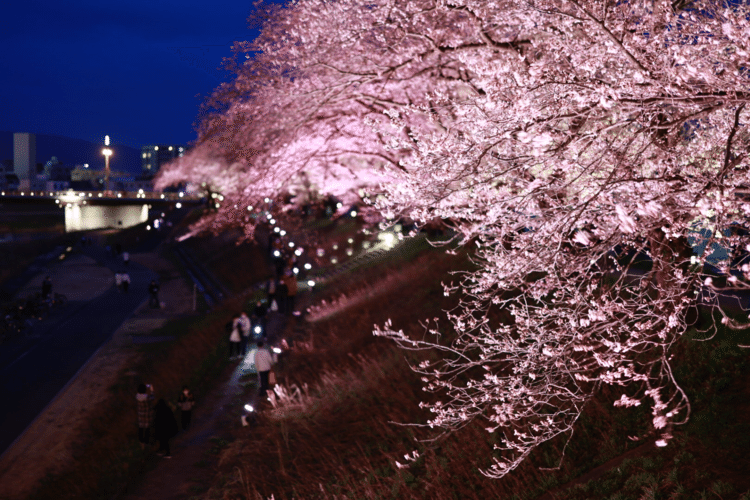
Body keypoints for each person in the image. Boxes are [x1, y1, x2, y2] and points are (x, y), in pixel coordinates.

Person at [136, 383, 154, 451]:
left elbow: (139, 392)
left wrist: (143, 386)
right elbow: (153, 397)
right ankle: (146, 443)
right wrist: (151, 389)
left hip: (140, 415)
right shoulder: (147, 397)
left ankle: (141, 443)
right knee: (147, 429)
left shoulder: (137, 396)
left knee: (141, 429)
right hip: (147, 415)